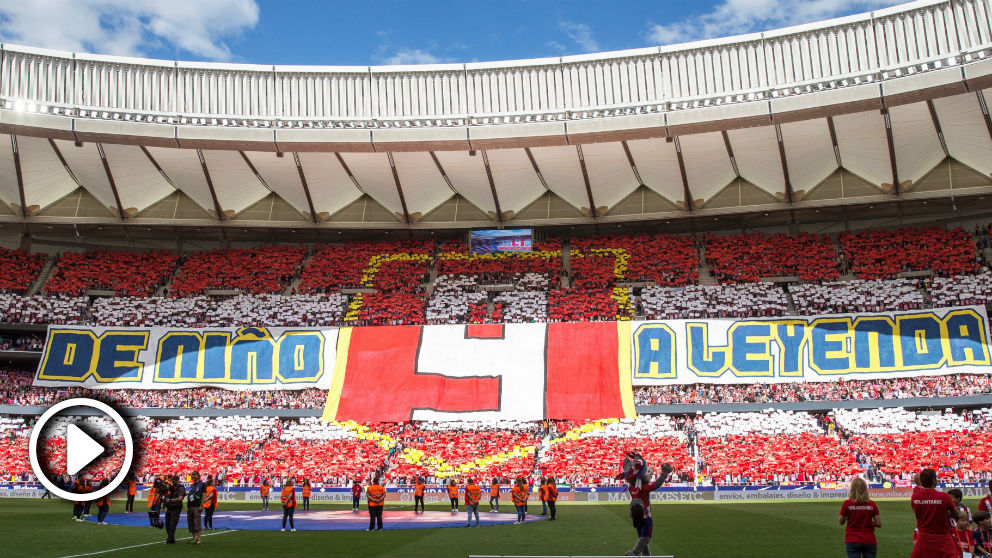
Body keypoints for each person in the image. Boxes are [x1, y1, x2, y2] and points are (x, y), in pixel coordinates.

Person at [910, 468, 960, 558]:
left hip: (923, 537)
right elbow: (956, 515)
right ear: (933, 480)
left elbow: (919, 514)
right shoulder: (944, 496)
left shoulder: (915, 498)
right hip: (943, 538)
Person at [839, 478, 881, 558]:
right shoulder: (872, 504)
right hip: (869, 539)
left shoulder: (847, 504)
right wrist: (869, 522)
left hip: (852, 539)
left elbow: (841, 521)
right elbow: (878, 523)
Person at [163, 475, 186, 545]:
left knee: (172, 524)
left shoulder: (181, 488)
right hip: (170, 507)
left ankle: (170, 539)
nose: (172, 482)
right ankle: (171, 538)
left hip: (176, 507)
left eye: (174, 481)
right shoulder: (172, 487)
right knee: (167, 524)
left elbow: (180, 498)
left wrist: (170, 500)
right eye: (172, 481)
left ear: (177, 480)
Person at [186, 471, 205, 544]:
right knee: (191, 523)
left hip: (197, 506)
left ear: (198, 476)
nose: (193, 476)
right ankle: (194, 538)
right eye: (192, 475)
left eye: (194, 475)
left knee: (197, 523)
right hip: (190, 506)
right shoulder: (192, 485)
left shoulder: (202, 484)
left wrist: (201, 506)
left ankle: (198, 538)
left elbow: (204, 495)